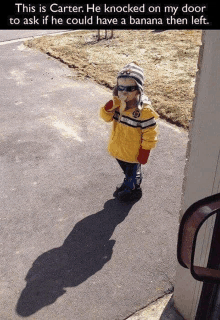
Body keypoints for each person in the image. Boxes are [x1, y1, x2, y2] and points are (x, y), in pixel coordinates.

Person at [100, 62, 159, 202]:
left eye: (129, 88)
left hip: (134, 152)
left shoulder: (144, 111)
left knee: (131, 172)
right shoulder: (118, 104)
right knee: (126, 170)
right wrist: (108, 107)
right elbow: (106, 118)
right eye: (121, 88)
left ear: (138, 89)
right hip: (118, 148)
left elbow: (150, 132)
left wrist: (145, 151)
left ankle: (132, 189)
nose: (124, 92)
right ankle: (130, 180)